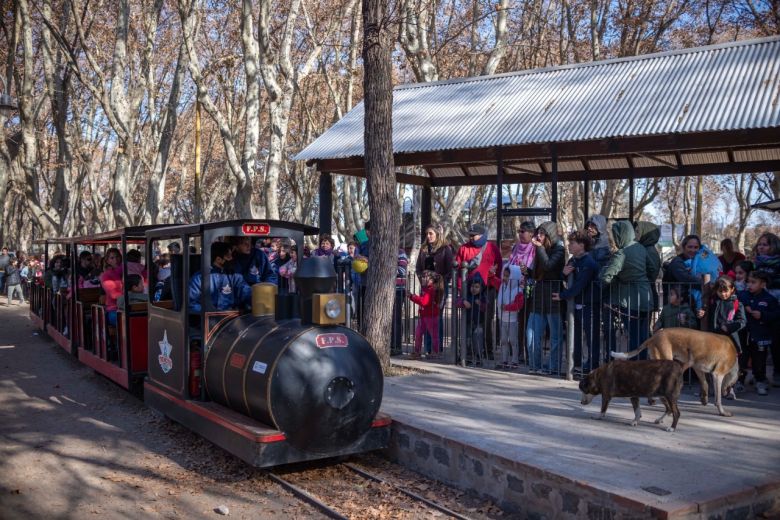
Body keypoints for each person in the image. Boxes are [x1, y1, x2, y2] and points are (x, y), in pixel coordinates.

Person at [600, 220, 653, 358]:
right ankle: (645, 367)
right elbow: (653, 269)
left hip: (630, 300)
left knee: (634, 337)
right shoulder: (641, 248)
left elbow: (606, 277)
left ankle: (636, 369)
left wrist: (618, 279)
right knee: (644, 336)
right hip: (646, 296)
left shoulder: (622, 253)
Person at [553, 230, 599, 372]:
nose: (569, 245)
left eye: (572, 243)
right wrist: (563, 274)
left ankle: (593, 365)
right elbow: (567, 277)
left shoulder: (589, 263)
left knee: (591, 337)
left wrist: (562, 295)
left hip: (589, 305)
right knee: (575, 335)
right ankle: (577, 363)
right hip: (575, 305)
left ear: (582, 245)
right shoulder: (573, 260)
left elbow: (579, 284)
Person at [525, 222, 566, 373]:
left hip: (553, 295)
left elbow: (549, 266)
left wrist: (539, 248)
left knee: (555, 336)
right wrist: (527, 271)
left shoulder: (559, 249)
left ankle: (553, 367)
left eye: (542, 233)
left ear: (550, 235)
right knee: (531, 334)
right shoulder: (540, 250)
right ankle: (535, 365)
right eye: (538, 233)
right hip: (539, 294)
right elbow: (539, 274)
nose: (538, 236)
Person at [415, 225, 454, 354]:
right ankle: (427, 348)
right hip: (426, 288)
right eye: (427, 234)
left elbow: (450, 270)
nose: (428, 236)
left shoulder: (445, 249)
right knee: (425, 318)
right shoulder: (424, 249)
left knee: (436, 318)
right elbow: (418, 268)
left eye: (431, 233)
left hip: (439, 289)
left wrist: (439, 281)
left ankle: (437, 349)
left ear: (437, 234)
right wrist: (423, 280)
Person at [743, 270, 780, 396]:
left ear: (763, 284)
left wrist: (762, 315)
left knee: (760, 360)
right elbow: (739, 300)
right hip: (746, 335)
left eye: (754, 282)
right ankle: (739, 382)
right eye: (748, 282)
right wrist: (746, 305)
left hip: (761, 335)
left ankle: (760, 381)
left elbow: (776, 314)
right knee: (743, 359)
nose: (750, 285)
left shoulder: (769, 299)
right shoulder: (744, 295)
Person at [189, 241, 252, 313]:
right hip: (209, 320)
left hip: (232, 318)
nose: (232, 258)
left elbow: (247, 293)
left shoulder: (235, 276)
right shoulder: (199, 278)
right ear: (218, 259)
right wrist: (208, 312)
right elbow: (191, 304)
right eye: (228, 256)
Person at [409, 271, 444, 359]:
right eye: (423, 277)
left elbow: (424, 302)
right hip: (424, 315)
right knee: (418, 333)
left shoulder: (431, 289)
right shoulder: (426, 288)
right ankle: (417, 351)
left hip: (431, 316)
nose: (423, 278)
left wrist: (412, 296)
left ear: (431, 280)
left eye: (425, 277)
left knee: (434, 335)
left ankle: (435, 352)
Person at [496, 265, 524, 369]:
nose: (505, 278)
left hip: (512, 319)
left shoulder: (518, 291)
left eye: (508, 276)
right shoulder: (501, 285)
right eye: (504, 275)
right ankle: (504, 359)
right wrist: (491, 273)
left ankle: (515, 360)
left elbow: (518, 305)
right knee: (503, 340)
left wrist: (507, 307)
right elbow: (492, 280)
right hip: (502, 318)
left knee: (513, 340)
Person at [457, 276, 487, 365]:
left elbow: (486, 307)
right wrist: (463, 302)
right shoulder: (467, 296)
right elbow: (457, 301)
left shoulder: (482, 297)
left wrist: (481, 305)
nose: (474, 289)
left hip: (478, 323)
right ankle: (466, 357)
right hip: (468, 322)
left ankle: (478, 358)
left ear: (481, 288)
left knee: (477, 341)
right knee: (467, 340)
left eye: (477, 287)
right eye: (472, 286)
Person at [634, 221, 661, 311]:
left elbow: (652, 271)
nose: (635, 233)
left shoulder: (649, 250)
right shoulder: (644, 249)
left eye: (638, 231)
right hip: (644, 292)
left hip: (646, 294)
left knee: (642, 323)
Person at [100, 248, 123, 327]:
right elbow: (113, 294)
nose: (115, 260)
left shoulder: (126, 271)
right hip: (114, 309)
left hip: (129, 306)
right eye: (112, 258)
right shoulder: (106, 275)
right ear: (108, 260)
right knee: (125, 321)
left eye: (117, 257)